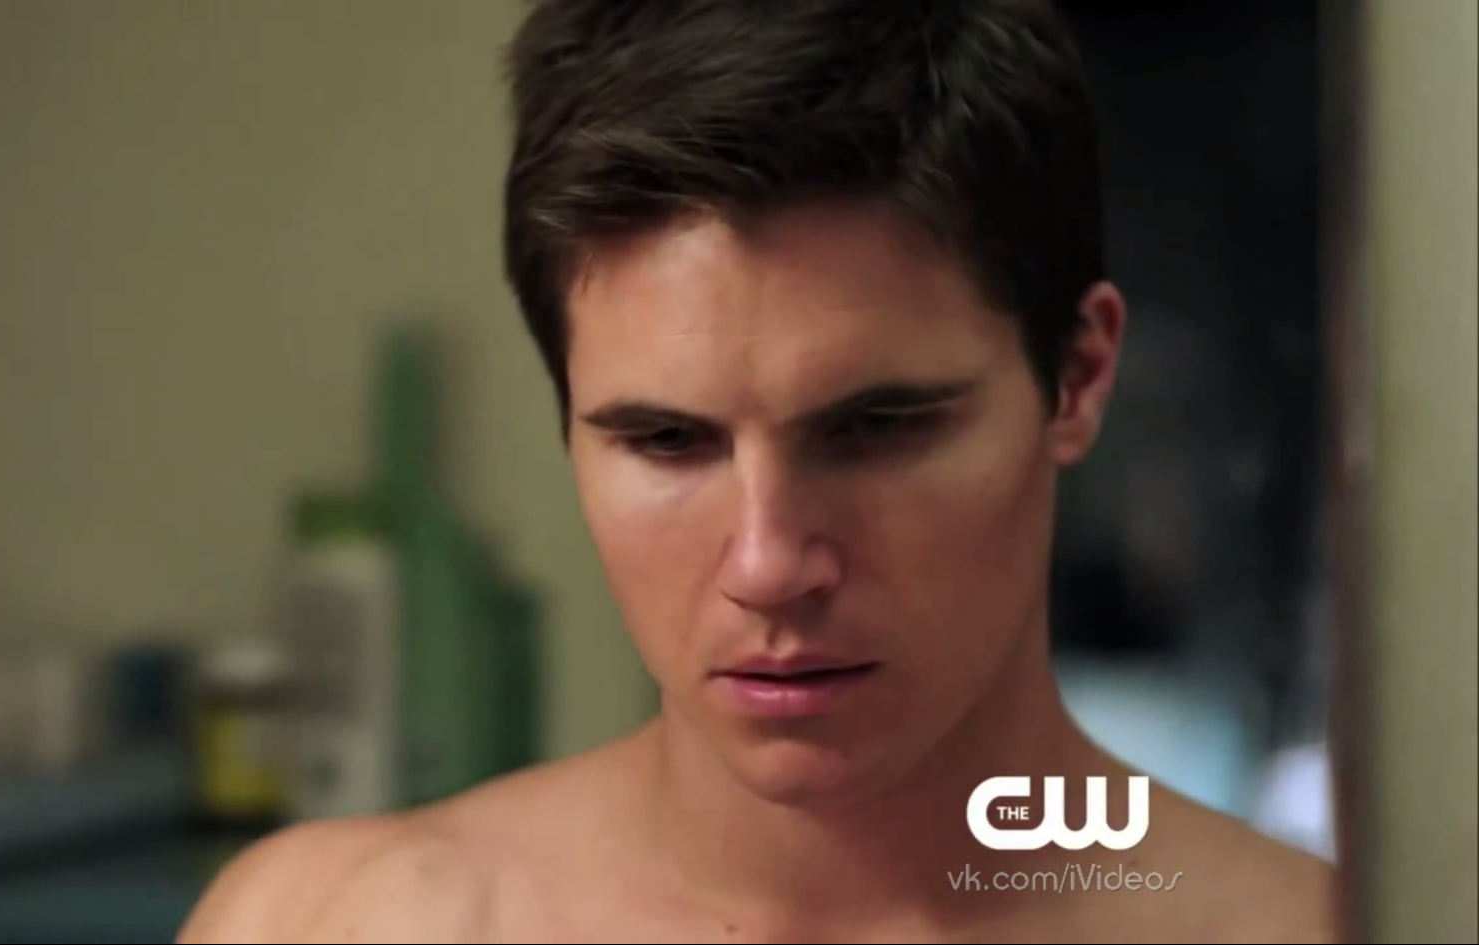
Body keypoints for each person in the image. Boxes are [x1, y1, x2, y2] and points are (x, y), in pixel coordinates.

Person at [180, 1, 1338, 940]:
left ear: (1076, 379)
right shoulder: (326, 926)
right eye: (667, 441)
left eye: (877, 428)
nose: (769, 564)